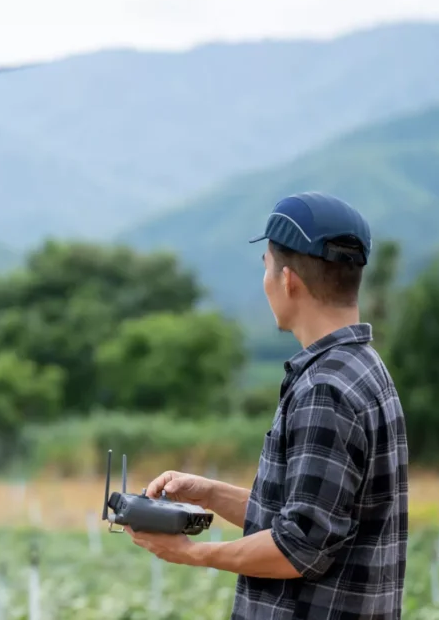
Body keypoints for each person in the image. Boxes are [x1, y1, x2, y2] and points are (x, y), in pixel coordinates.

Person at [127, 191, 409, 619]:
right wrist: (209, 493)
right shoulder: (364, 368)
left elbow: (299, 548)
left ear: (288, 279)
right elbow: (314, 517)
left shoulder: (324, 390)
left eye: (266, 269)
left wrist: (193, 554)